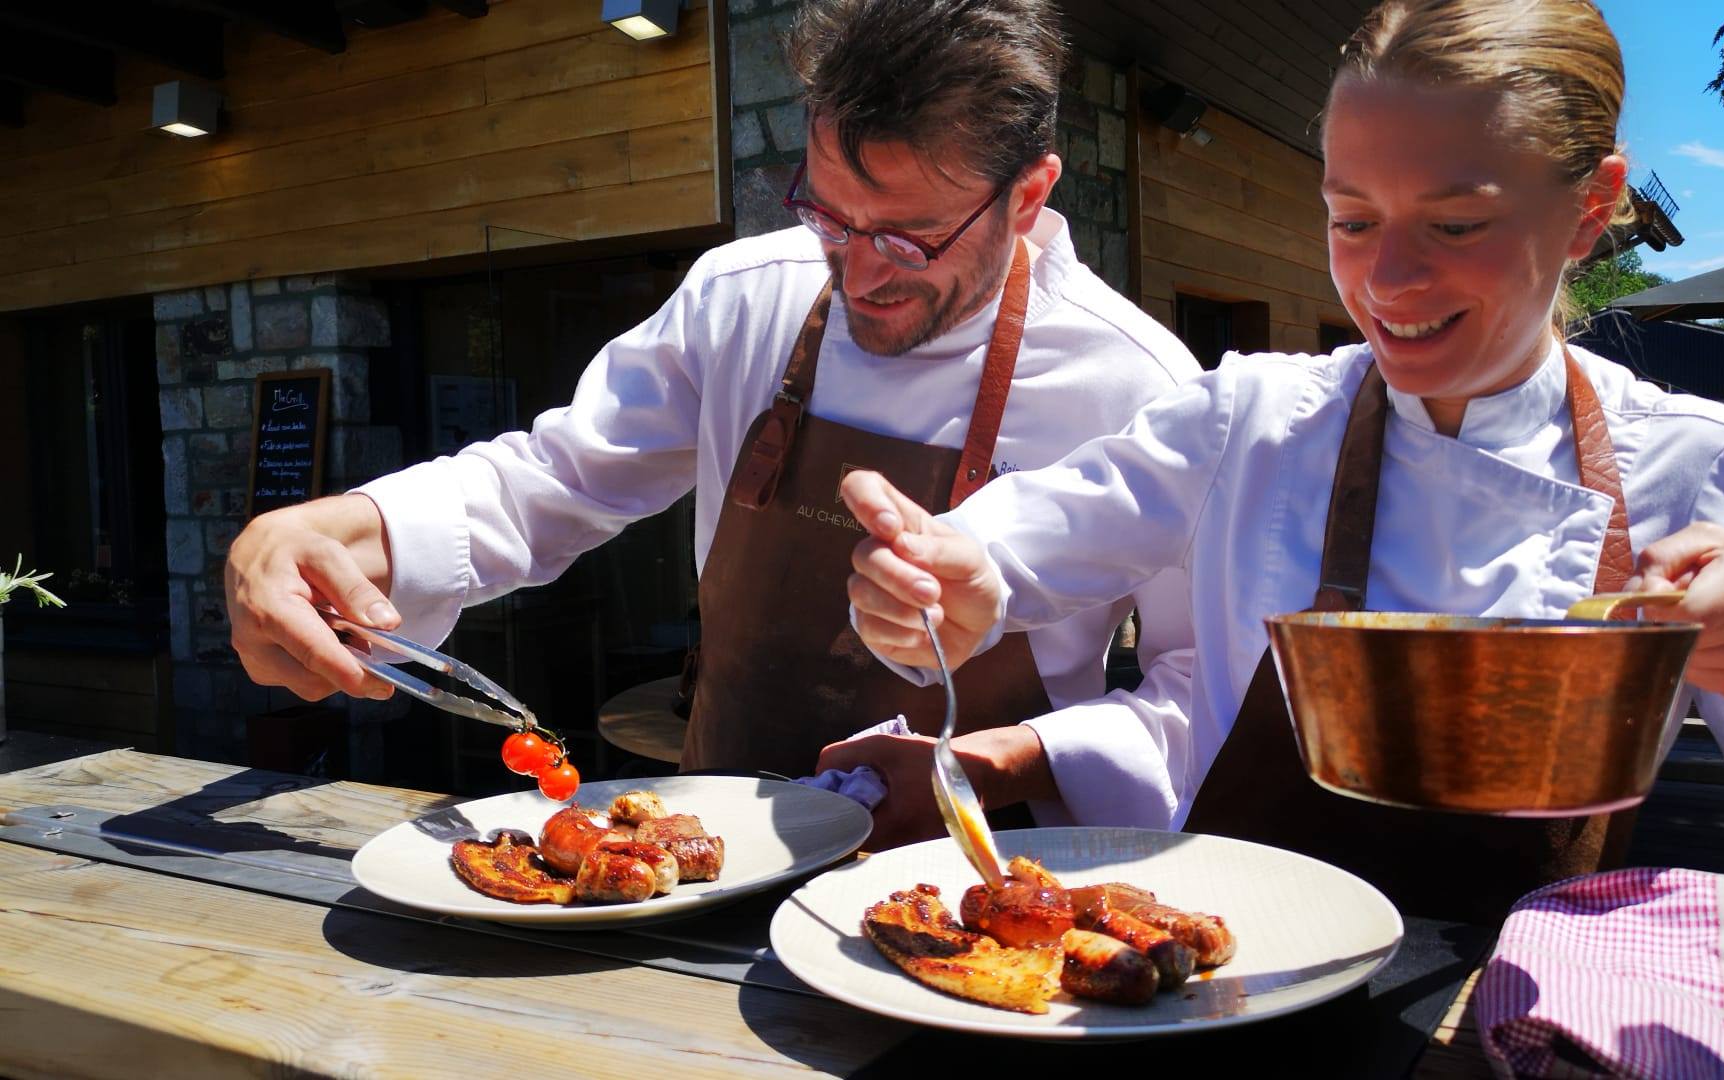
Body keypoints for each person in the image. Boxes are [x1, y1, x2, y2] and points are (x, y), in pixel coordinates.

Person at [836, 0, 1724, 966]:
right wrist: (945, 578)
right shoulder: (1248, 421)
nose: (1388, 281)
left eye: (1455, 225)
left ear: (1592, 206)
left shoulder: (1702, 467)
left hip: (1518, 1031)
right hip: (1226, 995)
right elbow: (1012, 549)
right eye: (1351, 220)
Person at [222, 0, 1199, 828]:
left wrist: (1022, 757)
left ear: (1028, 197)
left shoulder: (1137, 383)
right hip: (709, 862)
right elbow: (555, 477)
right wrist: (345, 533)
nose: (856, 275)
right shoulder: (744, 297)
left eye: (907, 238)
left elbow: (1197, 687)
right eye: (826, 212)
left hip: (978, 910)